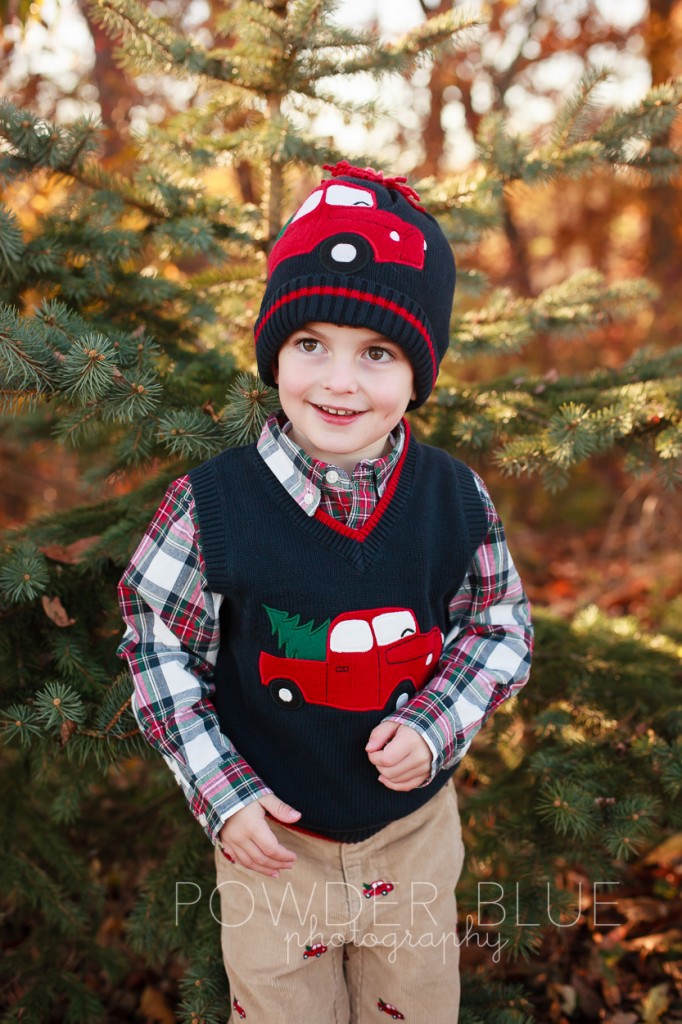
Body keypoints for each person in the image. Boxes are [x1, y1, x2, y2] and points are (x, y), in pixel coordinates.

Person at [118, 161, 533, 1023]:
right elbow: (158, 644)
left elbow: (498, 624)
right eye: (311, 344)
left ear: (418, 375)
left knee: (414, 1005)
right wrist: (221, 792)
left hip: (411, 836)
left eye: (376, 354)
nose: (339, 382)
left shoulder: (453, 498)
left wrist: (437, 719)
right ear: (276, 354)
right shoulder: (213, 507)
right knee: (280, 1009)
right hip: (274, 847)